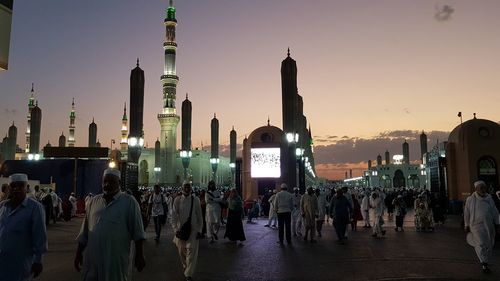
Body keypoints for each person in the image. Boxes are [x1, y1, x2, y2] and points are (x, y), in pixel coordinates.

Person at [74, 168, 146, 280]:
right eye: (105, 181)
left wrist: (140, 255)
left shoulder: (129, 202)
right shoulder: (94, 201)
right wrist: (79, 253)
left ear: (119, 183)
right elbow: (85, 232)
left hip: (115, 261)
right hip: (93, 260)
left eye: (111, 182)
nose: (107, 184)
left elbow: (138, 232)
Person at [0, 173, 47, 281]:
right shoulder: (3, 206)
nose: (16, 189)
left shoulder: (35, 208)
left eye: (21, 185)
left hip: (20, 264)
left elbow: (40, 236)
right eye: (13, 186)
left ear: (26, 188)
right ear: (9, 188)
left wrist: (38, 261)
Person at [464, 180, 500, 273]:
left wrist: (497, 223)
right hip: (476, 226)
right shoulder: (470, 199)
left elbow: (495, 212)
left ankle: (485, 260)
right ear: (476, 189)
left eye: (484, 187)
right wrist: (466, 225)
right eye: (481, 188)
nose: (483, 190)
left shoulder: (489, 198)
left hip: (488, 225)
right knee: (480, 244)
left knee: (489, 244)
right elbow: (466, 213)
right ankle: (484, 263)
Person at [172, 181, 203, 281]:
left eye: (188, 187)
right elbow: (173, 216)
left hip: (193, 230)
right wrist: (175, 229)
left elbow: (199, 216)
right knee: (181, 251)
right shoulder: (177, 200)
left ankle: (188, 274)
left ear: (191, 188)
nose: (187, 189)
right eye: (185, 187)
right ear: (182, 188)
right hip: (181, 231)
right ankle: (186, 266)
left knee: (191, 251)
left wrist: (199, 230)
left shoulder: (196, 200)